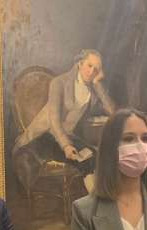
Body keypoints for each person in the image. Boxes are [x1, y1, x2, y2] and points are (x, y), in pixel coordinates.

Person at [13, 49, 116, 193]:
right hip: (44, 137)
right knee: (87, 161)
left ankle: (97, 204)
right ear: (80, 64)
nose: (92, 71)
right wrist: (66, 145)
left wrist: (98, 84)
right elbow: (54, 120)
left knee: (99, 157)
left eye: (96, 69)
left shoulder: (92, 89)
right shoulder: (59, 82)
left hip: (67, 137)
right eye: (89, 65)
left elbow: (113, 112)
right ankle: (95, 204)